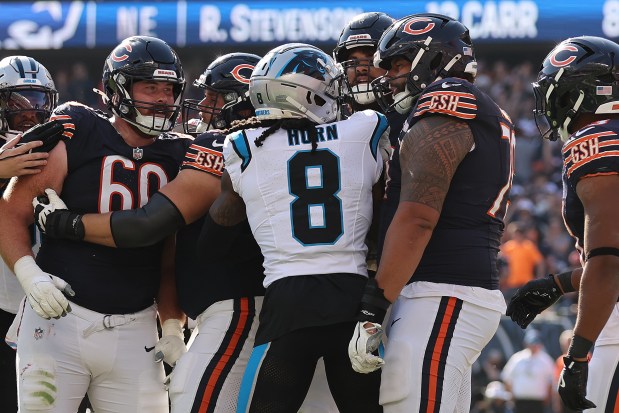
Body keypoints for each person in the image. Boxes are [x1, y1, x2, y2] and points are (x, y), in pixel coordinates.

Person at [32, 52, 339, 413]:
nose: (203, 106)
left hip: (237, 302)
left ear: (249, 104)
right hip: (265, 301)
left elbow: (147, 224)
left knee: (193, 402)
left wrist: (64, 223)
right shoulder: (296, 144)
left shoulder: (234, 147)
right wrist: (174, 323)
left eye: (216, 97)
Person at [0, 35, 190, 412]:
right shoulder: (80, 126)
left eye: (168, 90)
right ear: (117, 88)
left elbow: (171, 252)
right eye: (150, 86)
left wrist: (171, 322)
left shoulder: (179, 152)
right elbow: (11, 211)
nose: (162, 99)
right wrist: (29, 273)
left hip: (137, 327)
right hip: (58, 322)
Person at [200, 42, 389, 413]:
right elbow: (381, 215)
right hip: (353, 302)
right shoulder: (366, 129)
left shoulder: (243, 144)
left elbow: (212, 244)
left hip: (288, 305)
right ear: (308, 95)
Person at [347, 13, 513, 413]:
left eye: (400, 65)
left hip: (442, 289)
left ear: (435, 61)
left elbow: (419, 216)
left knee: (406, 399)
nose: (391, 77)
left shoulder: (447, 100)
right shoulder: (474, 106)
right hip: (449, 291)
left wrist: (374, 304)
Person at [507, 35, 619, 412]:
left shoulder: (600, 137)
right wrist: (559, 284)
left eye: (556, 92)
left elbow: (608, 260)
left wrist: (577, 354)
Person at [0, 55, 57, 413]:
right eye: (16, 105)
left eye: (37, 104)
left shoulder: (64, 147)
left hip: (52, 305)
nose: (29, 116)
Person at [332, 12, 407, 271]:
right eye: (352, 60)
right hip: (346, 259)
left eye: (370, 58)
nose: (361, 68)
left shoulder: (414, 116)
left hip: (404, 256)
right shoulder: (331, 121)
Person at [501, 329, 554, 413]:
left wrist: (548, 396)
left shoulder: (546, 360)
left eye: (536, 344)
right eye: (531, 344)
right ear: (526, 344)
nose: (533, 346)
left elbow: (551, 381)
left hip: (538, 402)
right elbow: (506, 377)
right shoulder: (517, 358)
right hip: (520, 401)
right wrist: (511, 394)